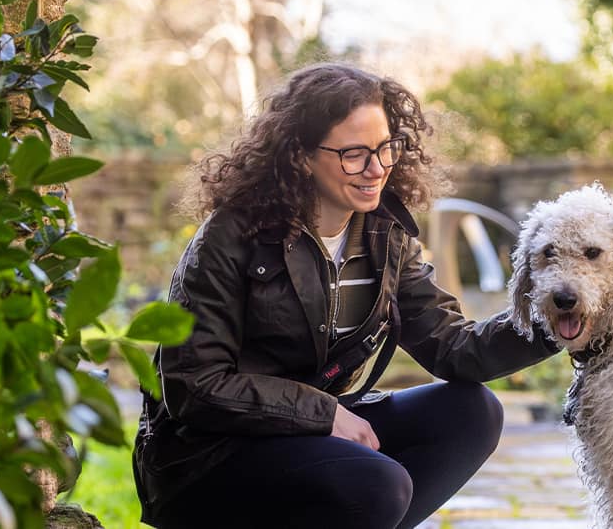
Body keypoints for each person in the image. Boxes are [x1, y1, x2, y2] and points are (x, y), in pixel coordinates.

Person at [132, 63, 559, 529]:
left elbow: (455, 349)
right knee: (377, 483)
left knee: (473, 412)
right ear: (300, 156)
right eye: (354, 153)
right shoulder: (232, 235)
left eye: (385, 148)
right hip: (207, 456)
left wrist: (556, 321)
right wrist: (324, 412)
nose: (376, 169)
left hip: (307, 432)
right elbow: (193, 385)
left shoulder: (385, 235)